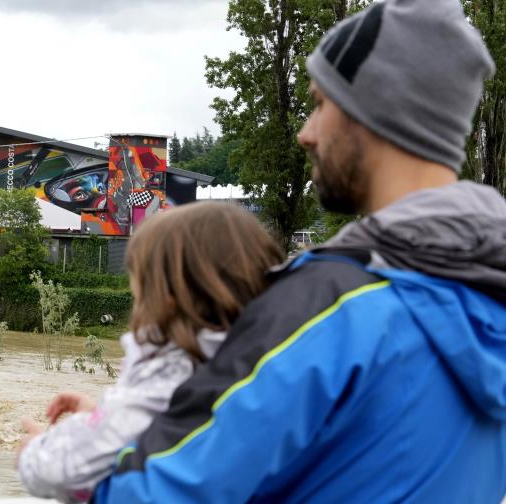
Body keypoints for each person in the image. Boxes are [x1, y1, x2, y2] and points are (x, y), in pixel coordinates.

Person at [95, 0, 506, 502]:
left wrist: (91, 448)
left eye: (320, 104)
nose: (305, 133)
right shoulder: (488, 296)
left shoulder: (326, 310)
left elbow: (148, 493)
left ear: (373, 113)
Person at [16, 202, 284, 503]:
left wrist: (37, 449)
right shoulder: (258, 362)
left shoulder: (170, 369)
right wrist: (99, 414)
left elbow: (58, 472)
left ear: (167, 298)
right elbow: (167, 430)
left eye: (139, 290)